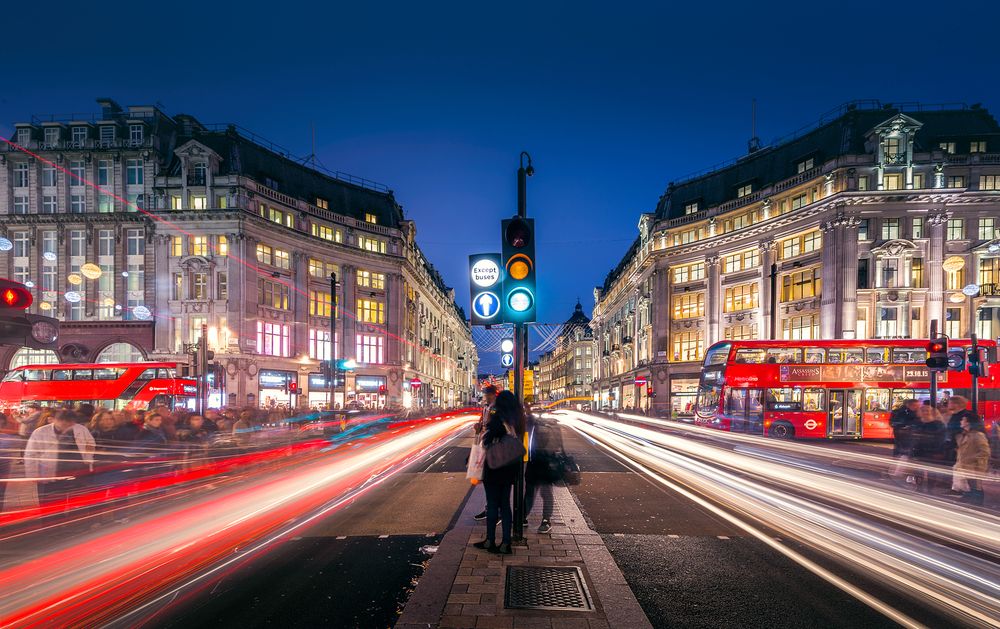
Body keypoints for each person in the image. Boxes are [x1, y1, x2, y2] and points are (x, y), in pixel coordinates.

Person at [474, 390, 520, 555]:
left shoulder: (497, 419)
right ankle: (506, 543)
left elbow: (486, 442)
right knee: (505, 505)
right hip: (509, 467)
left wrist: (480, 431)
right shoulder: (515, 420)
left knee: (493, 504)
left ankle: (490, 540)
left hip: (493, 466)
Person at [23, 409, 96, 505]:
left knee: (76, 504)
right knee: (50, 505)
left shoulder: (81, 429)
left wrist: (87, 458)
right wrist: (32, 474)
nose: (65, 427)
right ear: (54, 420)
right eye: (62, 423)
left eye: (69, 424)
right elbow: (30, 454)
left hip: (77, 473)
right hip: (49, 475)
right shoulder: (40, 432)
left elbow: (90, 443)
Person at [524, 408, 563, 534]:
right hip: (546, 462)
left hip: (536, 462)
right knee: (544, 493)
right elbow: (558, 446)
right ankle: (545, 520)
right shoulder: (553, 426)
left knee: (532, 492)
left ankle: (525, 517)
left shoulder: (531, 425)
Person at [473, 386, 498, 522]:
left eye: (488, 395)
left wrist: (485, 427)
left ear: (494, 395)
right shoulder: (486, 407)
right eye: (485, 395)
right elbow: (484, 422)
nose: (486, 397)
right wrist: (479, 426)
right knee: (487, 481)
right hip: (486, 444)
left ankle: (495, 511)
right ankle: (489, 508)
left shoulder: (495, 408)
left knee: (492, 482)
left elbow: (493, 425)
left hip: (493, 447)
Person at [954, 417, 990, 505]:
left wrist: (973, 462)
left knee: (975, 488)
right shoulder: (965, 434)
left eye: (963, 420)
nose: (961, 421)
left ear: (968, 423)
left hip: (974, 467)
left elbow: (985, 452)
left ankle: (977, 508)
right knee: (969, 488)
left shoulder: (978, 435)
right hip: (966, 467)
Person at [910, 404, 946, 491]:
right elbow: (913, 437)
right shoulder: (917, 423)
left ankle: (930, 489)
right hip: (919, 451)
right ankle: (919, 486)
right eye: (923, 411)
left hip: (932, 451)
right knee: (918, 471)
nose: (925, 413)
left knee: (931, 472)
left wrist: (939, 451)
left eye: (927, 411)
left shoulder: (938, 424)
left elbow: (941, 439)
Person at [944, 396, 978, 463]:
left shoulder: (967, 416)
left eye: (950, 403)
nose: (948, 405)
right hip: (955, 449)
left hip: (962, 450)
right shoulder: (955, 415)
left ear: (956, 404)